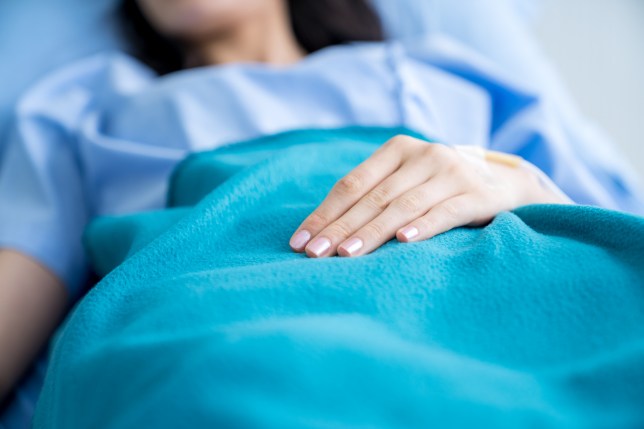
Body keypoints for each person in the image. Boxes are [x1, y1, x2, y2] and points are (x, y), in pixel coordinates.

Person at [0, 0, 641, 422]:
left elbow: (607, 233)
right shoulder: (83, 106)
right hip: (230, 317)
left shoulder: (448, 72)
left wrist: (511, 178)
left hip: (501, 300)